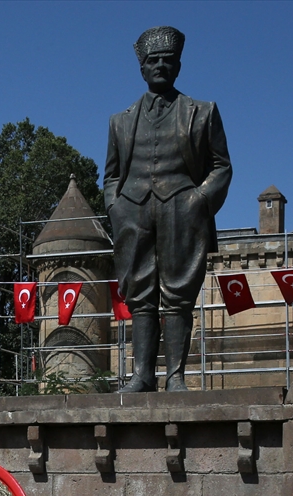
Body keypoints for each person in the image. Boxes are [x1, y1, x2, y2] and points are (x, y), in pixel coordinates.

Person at [104, 26, 232, 392]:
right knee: (139, 294)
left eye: (167, 60)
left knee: (178, 295)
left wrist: (201, 200)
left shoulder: (203, 113)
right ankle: (143, 375)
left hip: (182, 208)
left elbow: (221, 165)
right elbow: (111, 174)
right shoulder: (120, 121)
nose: (160, 66)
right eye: (153, 61)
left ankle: (175, 376)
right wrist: (116, 207)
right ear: (141, 68)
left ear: (178, 66)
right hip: (133, 211)